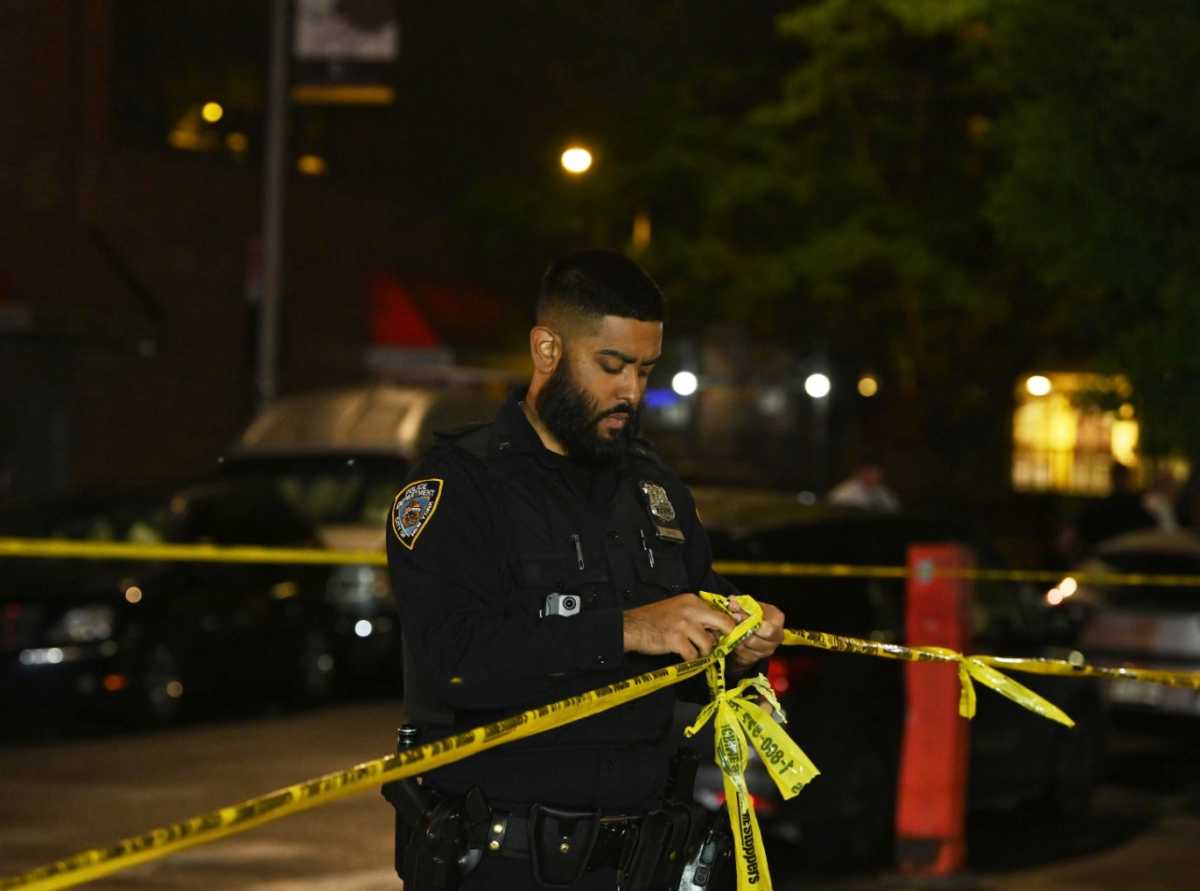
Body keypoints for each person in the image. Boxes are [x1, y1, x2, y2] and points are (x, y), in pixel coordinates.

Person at [383, 249, 785, 891]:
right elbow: (451, 659)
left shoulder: (654, 490)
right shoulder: (460, 487)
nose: (632, 392)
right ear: (547, 349)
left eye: (645, 369)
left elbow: (695, 627)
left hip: (645, 862)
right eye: (612, 366)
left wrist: (741, 642)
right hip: (504, 865)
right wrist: (626, 629)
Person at [826, 453, 901, 512]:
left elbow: (894, 509)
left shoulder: (883, 492)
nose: (877, 476)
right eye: (872, 472)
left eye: (879, 473)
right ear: (862, 472)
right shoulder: (843, 494)